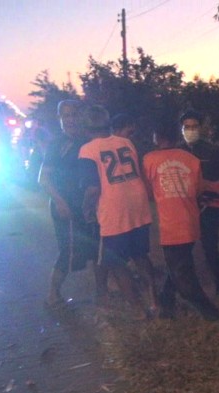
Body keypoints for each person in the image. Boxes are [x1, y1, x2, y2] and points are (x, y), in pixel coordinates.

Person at [78, 104, 158, 319]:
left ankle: (137, 309)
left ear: (86, 127)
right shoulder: (126, 142)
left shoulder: (87, 150)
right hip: (138, 203)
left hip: (114, 209)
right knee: (140, 255)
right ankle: (155, 301)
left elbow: (93, 188)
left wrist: (86, 209)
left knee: (115, 262)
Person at [141, 121, 219, 321]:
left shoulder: (149, 160)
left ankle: (211, 315)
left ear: (156, 137)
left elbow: (148, 192)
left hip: (172, 227)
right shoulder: (191, 159)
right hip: (191, 222)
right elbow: (198, 189)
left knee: (183, 277)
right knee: (178, 265)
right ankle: (166, 305)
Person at [38, 99, 105, 306]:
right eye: (65, 115)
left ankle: (102, 293)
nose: (70, 120)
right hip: (66, 207)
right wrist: (59, 202)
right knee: (68, 251)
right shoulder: (57, 145)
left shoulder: (89, 141)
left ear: (81, 116)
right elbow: (43, 179)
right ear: (59, 118)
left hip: (89, 205)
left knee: (97, 249)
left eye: (74, 114)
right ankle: (53, 294)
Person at [179, 110, 219, 297]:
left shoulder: (212, 151)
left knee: (210, 248)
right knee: (183, 250)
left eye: (194, 127)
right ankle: (183, 290)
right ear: (181, 129)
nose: (190, 130)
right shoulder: (177, 151)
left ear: (200, 128)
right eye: (187, 127)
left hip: (209, 207)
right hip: (184, 208)